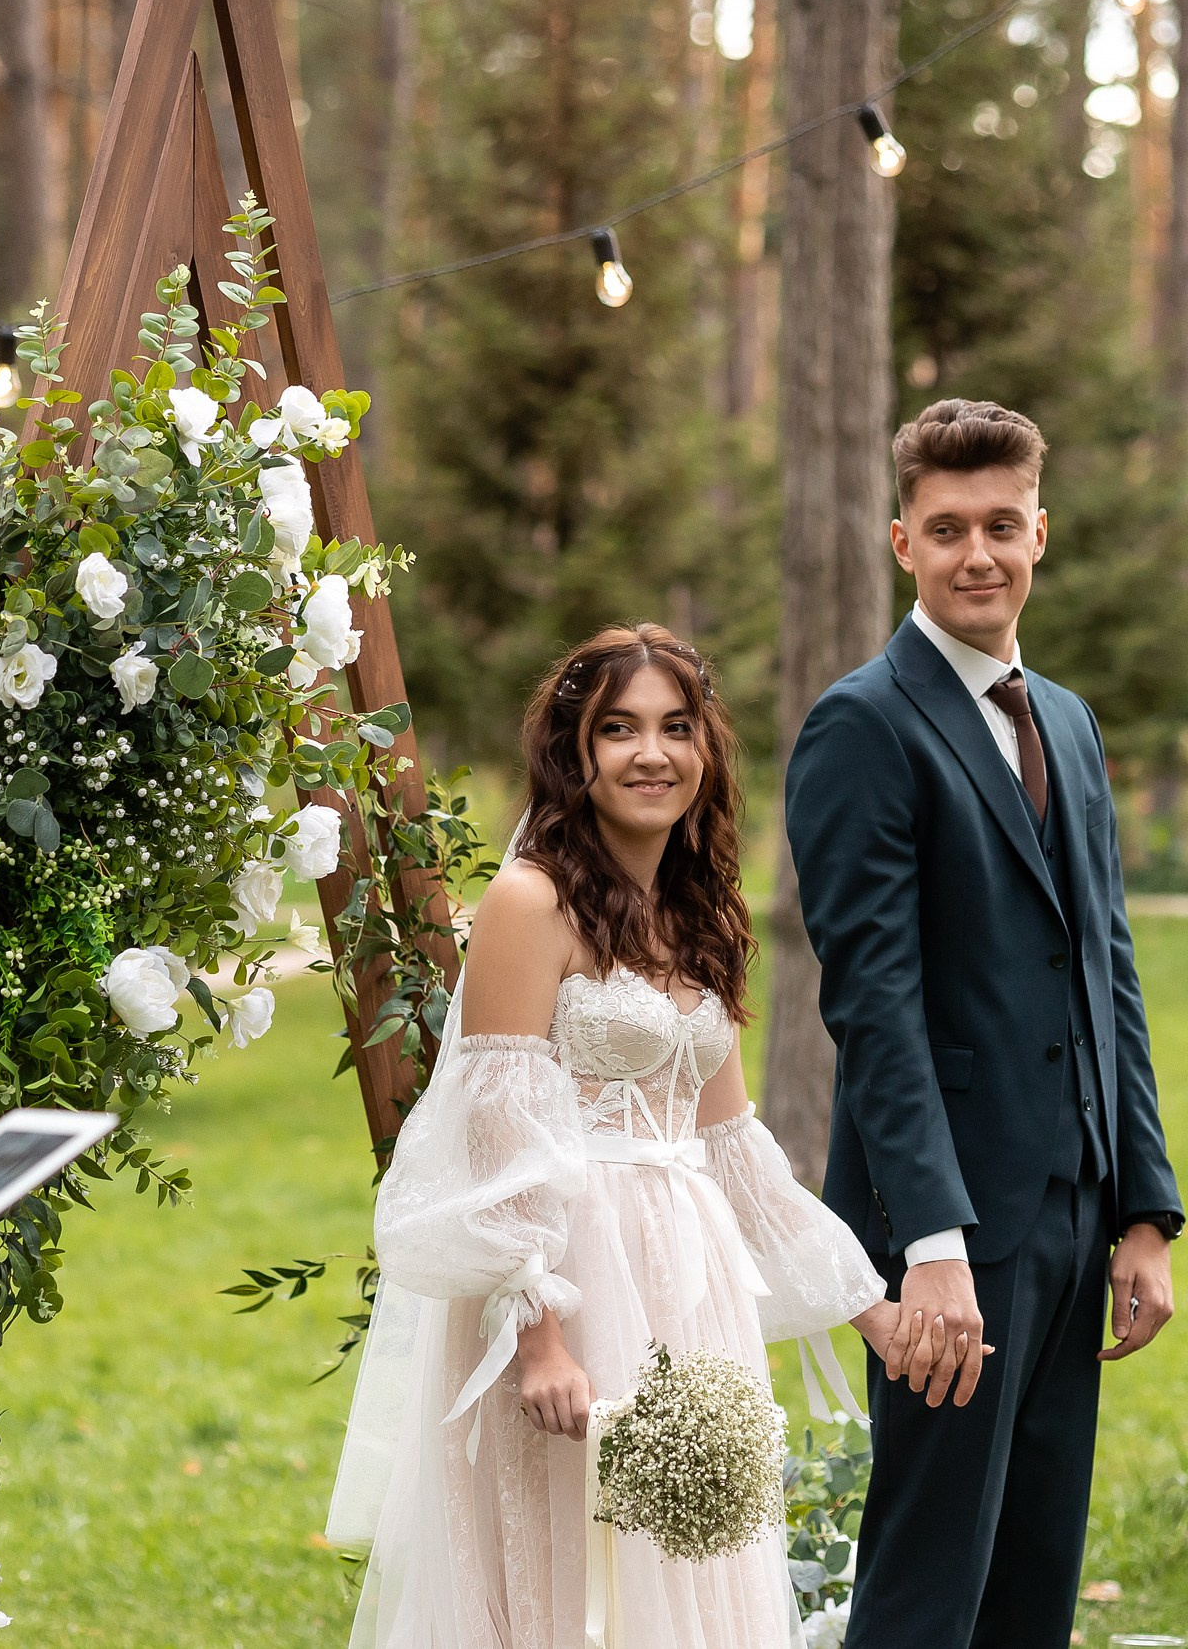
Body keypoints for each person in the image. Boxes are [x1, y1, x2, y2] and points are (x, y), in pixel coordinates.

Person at [328, 624, 904, 1647]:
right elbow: (496, 1126)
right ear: (574, 753)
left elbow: (732, 1150)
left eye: (676, 727)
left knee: (689, 1564)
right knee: (577, 1581)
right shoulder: (527, 901)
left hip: (689, 1283)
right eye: (619, 729)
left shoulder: (701, 915)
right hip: (570, 1279)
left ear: (705, 750)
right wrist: (537, 1335)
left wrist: (873, 1311)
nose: (652, 753)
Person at [784, 400, 1185, 1649]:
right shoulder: (863, 724)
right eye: (946, 528)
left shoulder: (1065, 720)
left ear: (1039, 534)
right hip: (951, 1235)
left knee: (1030, 1590)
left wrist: (1141, 1211)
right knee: (925, 1587)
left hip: (1072, 1216)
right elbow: (874, 1008)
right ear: (900, 540)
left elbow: (1105, 966)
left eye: (1000, 526)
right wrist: (933, 1245)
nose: (978, 554)